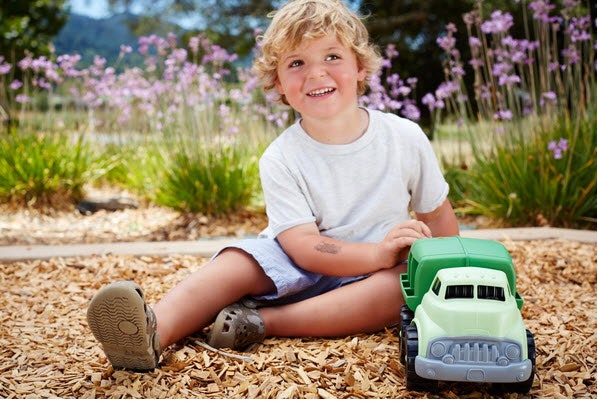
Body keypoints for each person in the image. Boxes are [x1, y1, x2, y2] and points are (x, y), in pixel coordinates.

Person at [86, 0, 460, 372]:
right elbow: (305, 248)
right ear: (279, 83)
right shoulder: (281, 156)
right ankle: (152, 332)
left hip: (374, 275)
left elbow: (438, 216)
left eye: (332, 57)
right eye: (297, 63)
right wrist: (376, 253)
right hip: (299, 262)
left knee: (407, 287)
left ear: (360, 67)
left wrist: (457, 275)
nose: (316, 74)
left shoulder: (404, 137)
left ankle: (263, 322)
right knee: (236, 262)